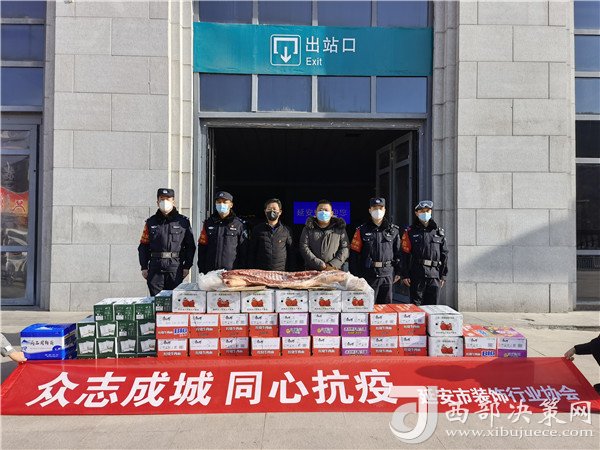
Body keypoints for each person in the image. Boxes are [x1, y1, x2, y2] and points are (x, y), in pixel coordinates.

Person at [138, 188, 196, 296]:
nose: (165, 202)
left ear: (173, 201)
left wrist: (187, 266)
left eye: (168, 199)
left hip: (175, 267)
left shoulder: (183, 222)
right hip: (155, 268)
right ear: (157, 202)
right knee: (156, 301)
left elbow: (190, 246)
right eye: (162, 199)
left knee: (174, 301)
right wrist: (144, 267)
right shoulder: (151, 222)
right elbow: (143, 246)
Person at [349, 198, 402, 304]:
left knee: (385, 308)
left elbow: (398, 253)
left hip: (387, 274)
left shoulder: (393, 230)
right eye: (374, 208)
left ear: (385, 210)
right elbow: (354, 255)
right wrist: (355, 276)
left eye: (380, 208)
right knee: (367, 306)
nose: (378, 211)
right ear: (370, 210)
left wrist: (399, 271)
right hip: (368, 275)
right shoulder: (361, 230)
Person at [400, 200, 448, 305]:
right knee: (416, 307)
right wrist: (405, 274)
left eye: (427, 211)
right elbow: (404, 254)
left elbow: (444, 254)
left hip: (434, 275)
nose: (425, 213)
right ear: (417, 213)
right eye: (422, 211)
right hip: (417, 274)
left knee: (433, 307)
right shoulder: (410, 232)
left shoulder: (438, 232)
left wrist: (443, 275)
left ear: (431, 212)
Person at [197, 191, 248, 273]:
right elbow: (202, 247)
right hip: (210, 272)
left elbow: (244, 250)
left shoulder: (239, 225)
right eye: (219, 202)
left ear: (231, 205)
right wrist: (202, 269)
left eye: (225, 202)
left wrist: (241, 271)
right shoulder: (208, 223)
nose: (221, 204)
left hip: (231, 272)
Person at [299, 199, 349, 271]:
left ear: (331, 213)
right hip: (312, 269)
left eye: (326, 210)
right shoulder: (308, 228)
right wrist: (319, 264)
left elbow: (345, 248)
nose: (323, 212)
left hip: (334, 269)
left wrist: (333, 264)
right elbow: (304, 247)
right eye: (320, 210)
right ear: (315, 213)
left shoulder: (339, 228)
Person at [249, 198, 296, 271]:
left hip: (281, 272)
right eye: (269, 209)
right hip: (262, 272)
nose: (272, 211)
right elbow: (252, 251)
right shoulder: (257, 229)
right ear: (265, 212)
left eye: (274, 209)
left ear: (280, 212)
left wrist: (292, 271)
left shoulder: (286, 231)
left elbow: (291, 253)